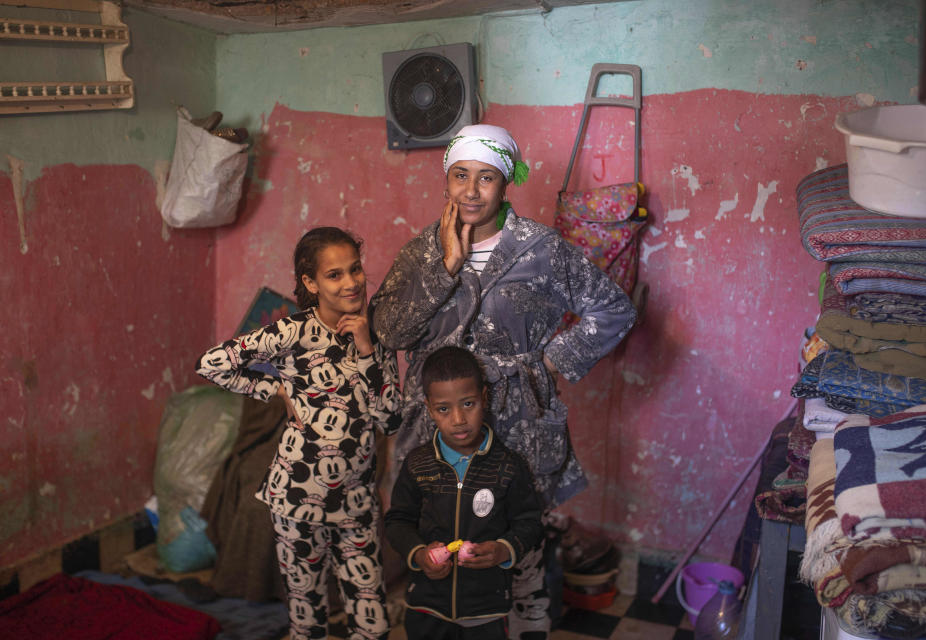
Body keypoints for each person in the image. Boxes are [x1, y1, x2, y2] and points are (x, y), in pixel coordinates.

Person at [370, 124, 636, 638]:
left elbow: (612, 309)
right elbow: (389, 331)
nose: (471, 191)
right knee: (438, 552)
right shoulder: (422, 250)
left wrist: (547, 363)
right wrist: (445, 268)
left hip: (516, 424)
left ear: (507, 181)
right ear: (446, 181)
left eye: (486, 177)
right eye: (460, 176)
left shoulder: (540, 249)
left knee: (517, 555)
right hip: (435, 429)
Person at [196, 227, 401, 640]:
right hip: (296, 498)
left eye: (355, 270)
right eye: (334, 274)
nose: (351, 282)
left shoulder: (375, 336)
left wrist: (365, 350)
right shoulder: (292, 333)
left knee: (374, 625)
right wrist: (273, 389)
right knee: (308, 624)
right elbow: (212, 362)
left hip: (356, 501)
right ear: (311, 283)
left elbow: (391, 418)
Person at [385, 346, 543, 640]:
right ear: (430, 408)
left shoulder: (508, 466)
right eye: (444, 409)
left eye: (468, 404)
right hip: (426, 605)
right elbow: (397, 521)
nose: (458, 419)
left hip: (486, 608)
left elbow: (530, 522)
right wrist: (419, 554)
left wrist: (503, 550)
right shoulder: (418, 464)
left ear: (484, 398)